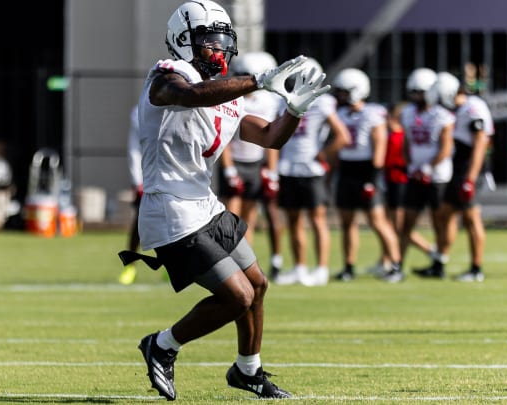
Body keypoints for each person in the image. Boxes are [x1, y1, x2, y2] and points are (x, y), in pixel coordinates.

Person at [118, 0, 329, 400]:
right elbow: (192, 95)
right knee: (237, 296)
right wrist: (258, 80)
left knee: (258, 285)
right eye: (208, 42)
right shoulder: (167, 75)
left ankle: (247, 370)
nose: (218, 51)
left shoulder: (229, 96)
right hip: (170, 208)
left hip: (205, 204)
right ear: (182, 41)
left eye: (222, 42)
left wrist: (294, 112)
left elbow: (269, 138)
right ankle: (162, 345)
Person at [272, 57, 350, 287]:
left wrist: (323, 155)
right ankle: (299, 267)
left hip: (311, 169)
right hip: (288, 168)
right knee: (294, 221)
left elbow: (342, 136)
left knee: (317, 220)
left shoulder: (323, 103)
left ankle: (322, 269)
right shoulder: (283, 100)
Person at [421, 72, 495, 282]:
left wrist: (470, 178)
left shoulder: (473, 108)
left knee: (471, 218)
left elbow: (481, 144)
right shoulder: (458, 109)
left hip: (468, 168)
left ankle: (476, 268)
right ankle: (440, 262)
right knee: (445, 213)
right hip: (457, 168)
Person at [330, 68, 402, 282]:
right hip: (346, 169)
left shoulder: (373, 113)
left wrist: (373, 177)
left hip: (367, 171)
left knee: (378, 221)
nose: (341, 96)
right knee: (347, 221)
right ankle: (349, 266)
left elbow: (379, 145)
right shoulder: (341, 113)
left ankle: (395, 265)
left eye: (344, 91)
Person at [218, 51, 284, 280]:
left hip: (255, 164)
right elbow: (222, 138)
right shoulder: (229, 100)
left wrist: (272, 171)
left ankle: (244, 264)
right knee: (230, 218)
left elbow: (270, 139)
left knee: (250, 219)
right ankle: (227, 264)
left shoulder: (269, 102)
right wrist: (229, 169)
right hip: (235, 162)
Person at [396, 67, 455, 281]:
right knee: (406, 223)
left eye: (419, 92)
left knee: (439, 222)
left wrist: (428, 167)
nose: (415, 96)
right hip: (415, 175)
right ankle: (397, 265)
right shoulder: (408, 113)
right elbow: (406, 143)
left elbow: (446, 147)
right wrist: (411, 165)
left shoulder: (442, 115)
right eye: (413, 92)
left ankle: (439, 261)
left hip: (437, 176)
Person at [378, 102, 435, 276]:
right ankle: (385, 259)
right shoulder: (394, 132)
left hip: (400, 181)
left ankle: (429, 250)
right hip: (390, 180)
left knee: (399, 227)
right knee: (390, 225)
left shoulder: (401, 133)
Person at [119, 106, 144, 285]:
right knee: (139, 224)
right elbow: (134, 148)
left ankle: (174, 267)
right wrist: (138, 181)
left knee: (176, 225)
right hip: (149, 177)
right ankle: (131, 265)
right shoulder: (140, 112)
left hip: (173, 178)